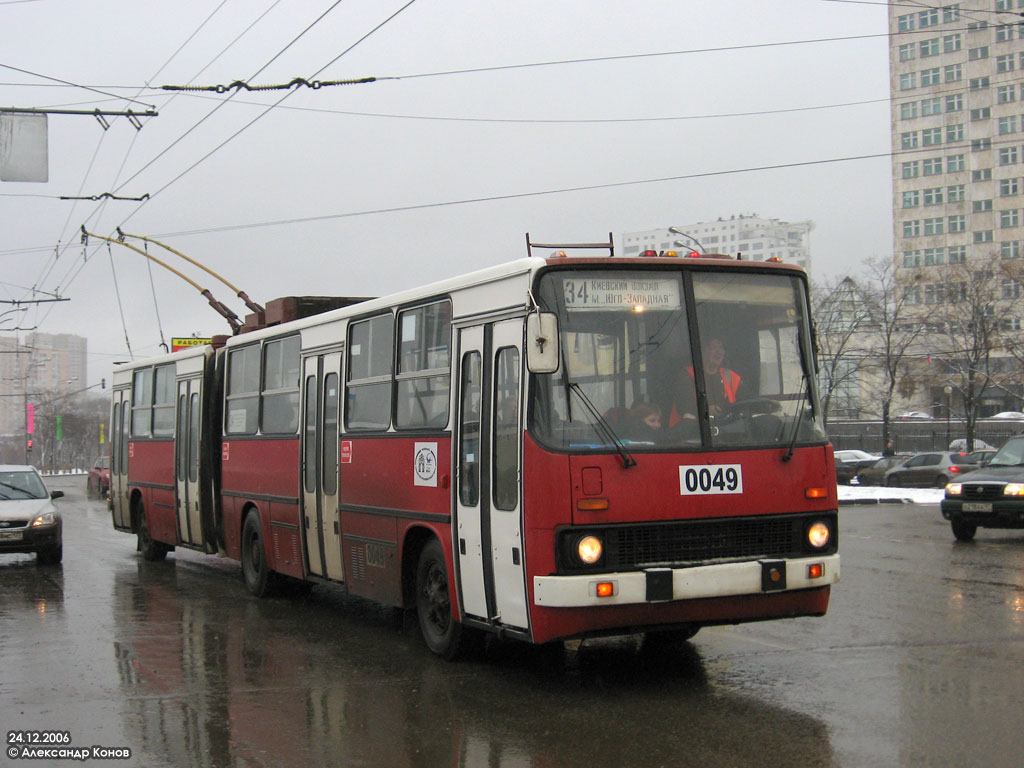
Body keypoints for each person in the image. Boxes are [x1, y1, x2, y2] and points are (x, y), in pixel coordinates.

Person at [697, 337, 742, 416]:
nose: (719, 352)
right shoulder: (689, 375)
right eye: (714, 347)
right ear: (703, 350)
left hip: (727, 422)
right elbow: (685, 407)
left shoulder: (730, 376)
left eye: (721, 347)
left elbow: (748, 400)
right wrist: (704, 410)